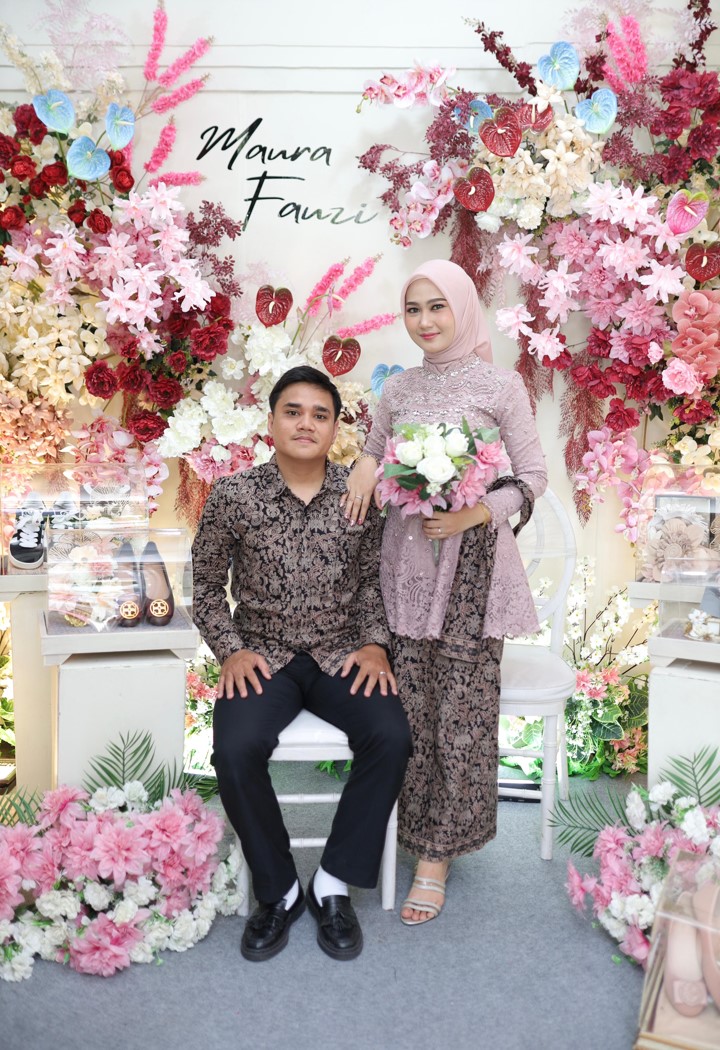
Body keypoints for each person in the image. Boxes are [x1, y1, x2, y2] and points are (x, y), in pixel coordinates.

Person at [343, 260, 547, 926]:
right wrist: (363, 468)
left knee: (459, 718)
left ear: (463, 309)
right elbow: (376, 449)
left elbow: (533, 477)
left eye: (438, 306)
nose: (426, 321)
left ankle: (436, 856)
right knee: (408, 717)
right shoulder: (399, 388)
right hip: (405, 564)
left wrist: (473, 513)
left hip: (472, 570)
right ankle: (407, 831)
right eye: (414, 308)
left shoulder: (501, 384)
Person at [192, 365, 412, 961]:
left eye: (320, 414)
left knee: (391, 735)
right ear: (271, 421)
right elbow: (206, 588)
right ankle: (279, 889)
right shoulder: (233, 495)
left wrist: (375, 643)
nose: (306, 424)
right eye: (293, 411)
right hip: (262, 655)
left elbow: (374, 583)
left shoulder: (359, 495)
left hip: (342, 651)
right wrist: (231, 649)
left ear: (336, 427)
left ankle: (332, 882)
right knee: (235, 749)